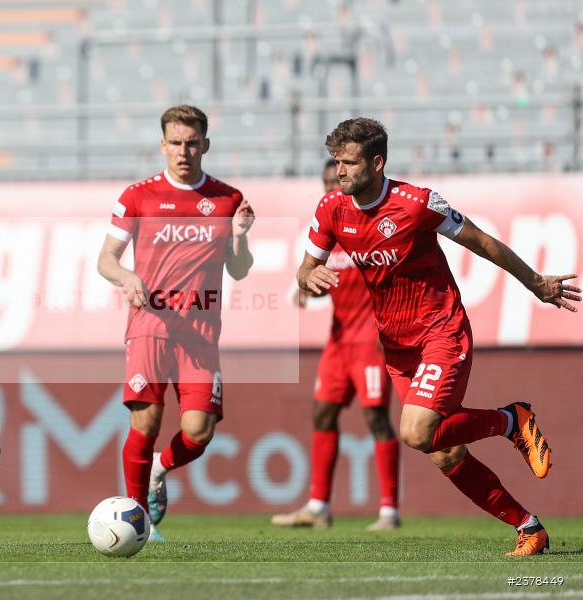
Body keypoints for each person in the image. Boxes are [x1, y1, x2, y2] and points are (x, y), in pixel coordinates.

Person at [299, 117, 580, 556]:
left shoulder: (417, 203)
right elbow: (304, 268)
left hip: (441, 331)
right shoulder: (331, 209)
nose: (340, 171)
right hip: (396, 346)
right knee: (444, 452)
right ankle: (529, 526)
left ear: (376, 162)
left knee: (415, 430)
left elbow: (483, 242)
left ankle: (511, 420)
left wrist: (535, 282)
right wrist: (308, 276)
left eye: (349, 162)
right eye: (337, 161)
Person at [97, 105, 255, 541]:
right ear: (162, 145)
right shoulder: (138, 196)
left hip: (201, 332)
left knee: (199, 431)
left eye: (191, 143)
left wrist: (239, 237)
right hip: (150, 323)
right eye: (175, 143)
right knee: (145, 423)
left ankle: (159, 472)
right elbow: (106, 260)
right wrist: (128, 277)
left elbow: (239, 270)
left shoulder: (227, 199)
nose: (183, 151)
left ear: (205, 144)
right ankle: (137, 521)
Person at [272, 159, 400, 531]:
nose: (334, 185)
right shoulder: (327, 229)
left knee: (376, 417)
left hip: (372, 338)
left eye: (338, 178)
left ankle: (389, 511)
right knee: (322, 413)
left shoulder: (368, 226)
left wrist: (387, 328)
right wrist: (304, 289)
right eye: (327, 180)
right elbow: (314, 276)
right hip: (338, 339)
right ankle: (318, 507)